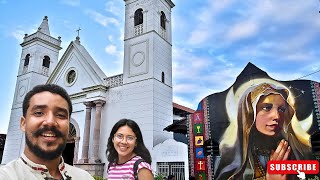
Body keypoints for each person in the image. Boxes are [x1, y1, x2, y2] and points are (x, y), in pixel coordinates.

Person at [214, 83, 312, 180]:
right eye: (267, 108)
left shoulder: (295, 150)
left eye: (282, 109)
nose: (277, 116)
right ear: (249, 113)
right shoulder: (228, 156)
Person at [0, 84, 94, 180]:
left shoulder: (85, 177)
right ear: (23, 123)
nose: (50, 122)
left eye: (61, 115)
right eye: (39, 113)